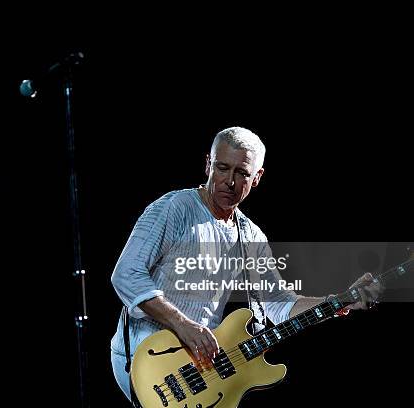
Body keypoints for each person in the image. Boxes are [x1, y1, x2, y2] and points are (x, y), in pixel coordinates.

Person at [109, 126, 383, 400]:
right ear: (208, 165)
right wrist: (183, 325)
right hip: (148, 356)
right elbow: (126, 274)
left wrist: (337, 301)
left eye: (241, 173)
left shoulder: (250, 235)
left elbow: (278, 302)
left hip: (198, 367)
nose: (229, 181)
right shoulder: (173, 208)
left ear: (257, 177)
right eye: (222, 168)